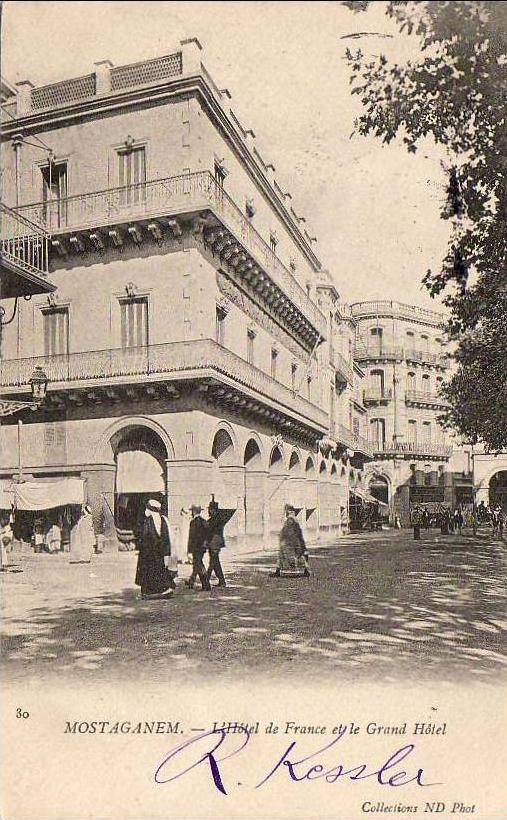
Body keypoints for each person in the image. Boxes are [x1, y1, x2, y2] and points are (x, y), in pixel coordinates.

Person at [135, 499, 174, 599]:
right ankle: (159, 590)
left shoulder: (148, 521)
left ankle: (151, 592)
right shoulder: (162, 521)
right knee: (158, 570)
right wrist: (166, 554)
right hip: (158, 554)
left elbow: (144, 537)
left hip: (149, 554)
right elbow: (166, 539)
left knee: (150, 572)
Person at [272, 505, 310, 578]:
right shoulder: (293, 519)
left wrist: (283, 538)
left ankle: (305, 571)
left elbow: (289, 531)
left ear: (289, 511)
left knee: (293, 556)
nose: (285, 512)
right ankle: (278, 571)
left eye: (286, 510)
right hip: (292, 541)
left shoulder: (290, 520)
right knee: (286, 556)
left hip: (290, 542)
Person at [185, 505, 211, 591]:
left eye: (192, 511)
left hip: (195, 548)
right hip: (202, 548)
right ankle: (194, 581)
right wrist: (205, 544)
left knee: (199, 565)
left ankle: (206, 585)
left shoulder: (193, 522)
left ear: (194, 512)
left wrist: (189, 550)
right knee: (198, 565)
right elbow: (208, 535)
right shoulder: (204, 521)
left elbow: (191, 537)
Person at [206, 499, 227, 588]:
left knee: (212, 563)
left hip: (215, 544)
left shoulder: (216, 520)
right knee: (215, 563)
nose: (209, 511)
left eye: (210, 509)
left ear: (213, 510)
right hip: (213, 544)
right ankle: (222, 581)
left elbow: (211, 529)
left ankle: (205, 579)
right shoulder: (215, 519)